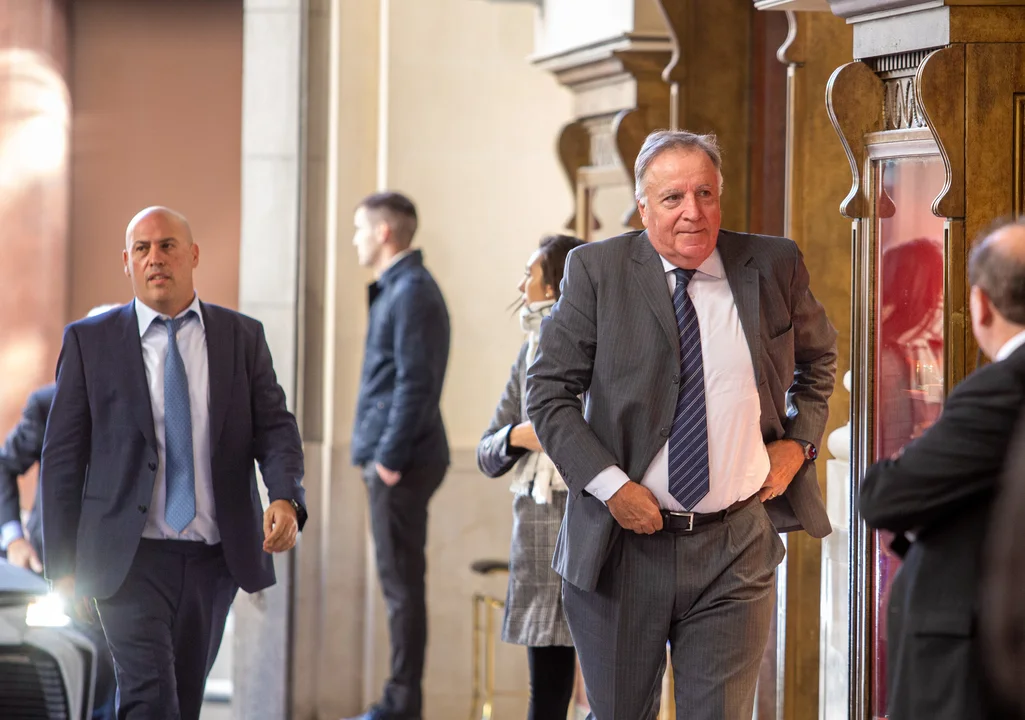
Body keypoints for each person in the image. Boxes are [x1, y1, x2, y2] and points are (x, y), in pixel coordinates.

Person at [525, 130, 837, 719]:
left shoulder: (773, 265)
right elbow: (547, 394)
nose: (693, 211)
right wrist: (612, 487)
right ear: (643, 207)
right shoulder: (596, 271)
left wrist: (800, 441)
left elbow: (819, 362)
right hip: (622, 548)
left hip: (735, 546)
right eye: (672, 198)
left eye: (705, 193)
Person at [40, 206, 307, 720]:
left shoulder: (241, 337)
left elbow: (275, 426)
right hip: (127, 560)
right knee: (151, 699)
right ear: (127, 262)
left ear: (193, 255)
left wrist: (284, 496)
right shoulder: (89, 342)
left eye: (167, 246)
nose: (155, 258)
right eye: (141, 249)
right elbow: (62, 459)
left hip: (214, 560)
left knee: (183, 701)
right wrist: (63, 568)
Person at [860, 219, 1025, 720]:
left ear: (979, 304)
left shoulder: (1000, 386)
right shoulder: (900, 356)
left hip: (976, 650)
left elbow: (885, 493)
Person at [347, 192, 450, 720]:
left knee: (402, 588)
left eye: (360, 228)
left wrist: (387, 457)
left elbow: (416, 382)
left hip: (403, 462)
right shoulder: (400, 287)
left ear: (384, 232)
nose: (355, 239)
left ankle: (401, 704)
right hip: (397, 457)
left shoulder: (412, 291)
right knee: (399, 587)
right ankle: (399, 700)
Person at [477, 234, 584, 720]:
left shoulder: (602, 349)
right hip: (540, 542)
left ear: (555, 286)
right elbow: (487, 451)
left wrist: (563, 432)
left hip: (595, 532)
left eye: (530, 274)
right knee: (547, 697)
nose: (521, 286)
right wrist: (521, 435)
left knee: (615, 693)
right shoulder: (528, 354)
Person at [0, 304, 119, 720]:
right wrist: (13, 538)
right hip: (52, 577)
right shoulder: (47, 404)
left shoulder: (151, 410)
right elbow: (4, 465)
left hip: (121, 579)